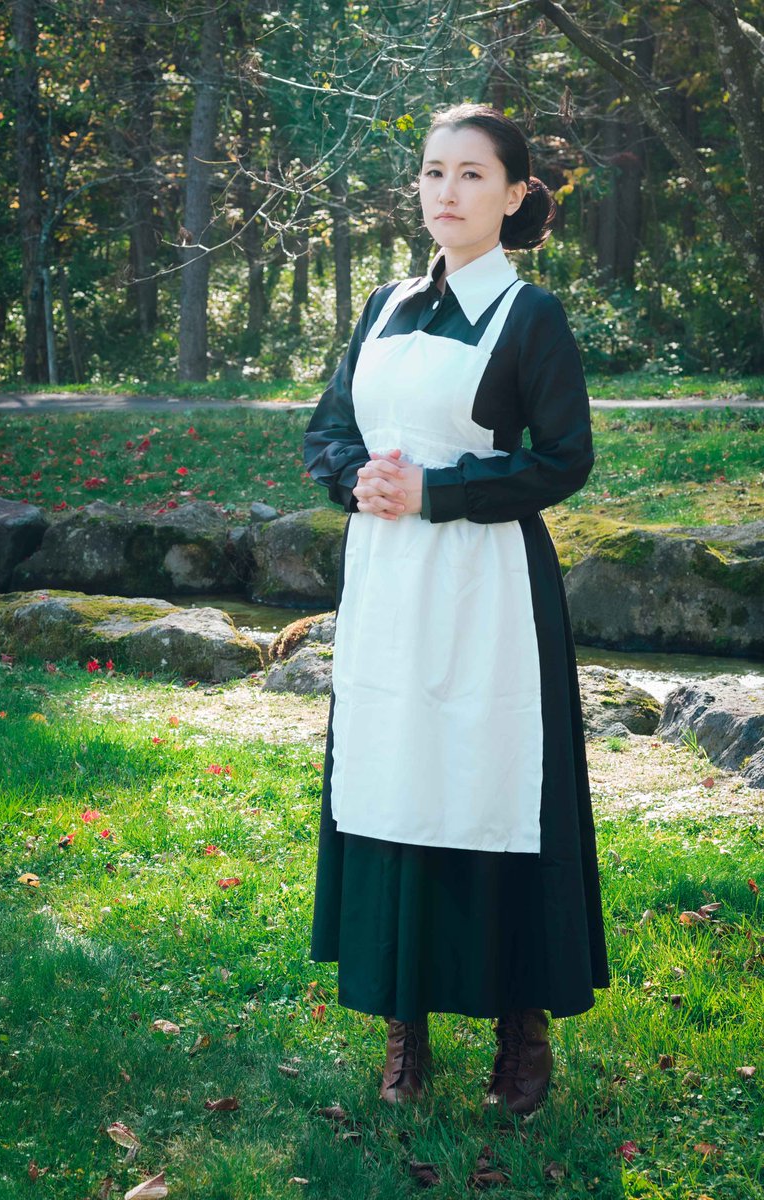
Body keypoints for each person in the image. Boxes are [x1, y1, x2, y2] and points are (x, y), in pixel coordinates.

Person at [303, 102, 610, 1115]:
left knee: (492, 782)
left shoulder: (530, 315)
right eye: (434, 171)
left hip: (489, 590)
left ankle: (522, 1033)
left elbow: (562, 460)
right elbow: (328, 429)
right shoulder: (384, 303)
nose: (448, 191)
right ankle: (405, 1028)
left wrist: (438, 493)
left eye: (472, 174)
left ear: (514, 195)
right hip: (389, 582)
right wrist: (354, 479)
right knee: (394, 775)